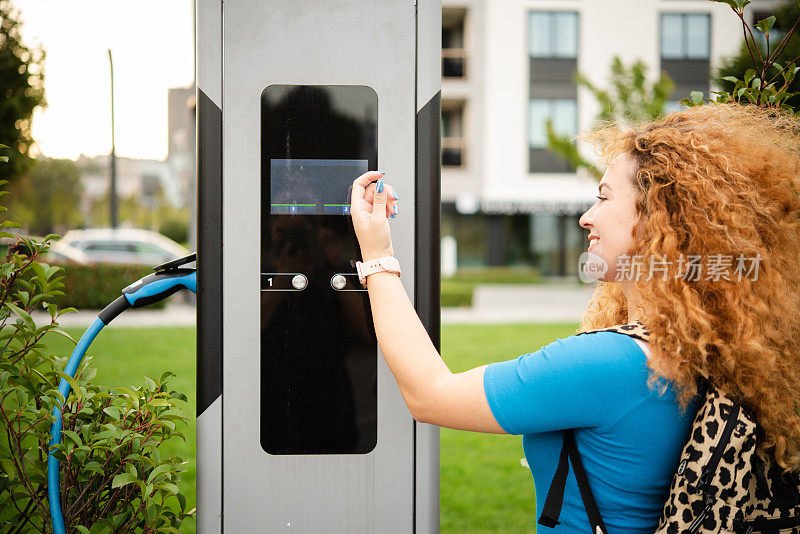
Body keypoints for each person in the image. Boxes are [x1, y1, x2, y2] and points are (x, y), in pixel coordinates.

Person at [349, 102, 800, 533]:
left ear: (660, 216)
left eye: (604, 197)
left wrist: (377, 255)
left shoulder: (610, 365)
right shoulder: (724, 351)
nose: (587, 217)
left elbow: (430, 395)